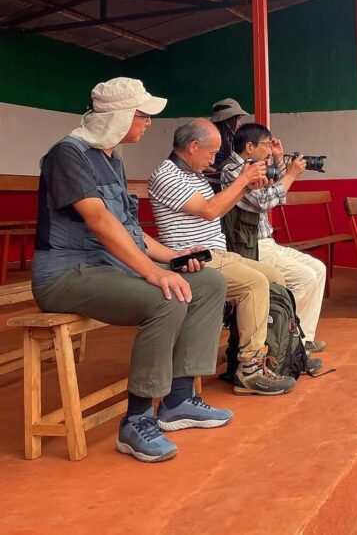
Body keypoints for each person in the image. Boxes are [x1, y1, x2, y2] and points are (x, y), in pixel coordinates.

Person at [31, 78, 231, 463]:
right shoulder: (68, 154)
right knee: (164, 298)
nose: (149, 122)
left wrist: (172, 256)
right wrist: (154, 273)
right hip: (65, 273)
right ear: (119, 116)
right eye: (143, 115)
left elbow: (130, 230)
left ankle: (178, 400)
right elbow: (100, 222)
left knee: (207, 281)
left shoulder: (112, 157)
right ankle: (137, 421)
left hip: (107, 267)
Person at [148, 119, 304, 396]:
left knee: (275, 278)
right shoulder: (168, 174)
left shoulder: (195, 173)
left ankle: (277, 353)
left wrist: (247, 185)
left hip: (218, 253)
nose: (214, 159)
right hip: (195, 258)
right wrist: (243, 179)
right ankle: (248, 369)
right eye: (211, 152)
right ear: (193, 146)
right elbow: (209, 211)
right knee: (255, 283)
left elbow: (220, 207)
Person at [219, 123, 327, 353]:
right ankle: (283, 337)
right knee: (305, 278)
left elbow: (277, 191)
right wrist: (291, 174)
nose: (269, 150)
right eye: (266, 145)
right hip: (251, 246)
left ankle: (302, 339)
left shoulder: (256, 167)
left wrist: (279, 160)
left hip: (267, 242)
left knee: (318, 268)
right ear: (250, 146)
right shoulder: (232, 171)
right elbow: (263, 201)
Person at [210, 98, 247, 171]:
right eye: (238, 119)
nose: (239, 124)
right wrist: (219, 173)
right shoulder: (211, 136)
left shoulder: (228, 136)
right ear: (229, 119)